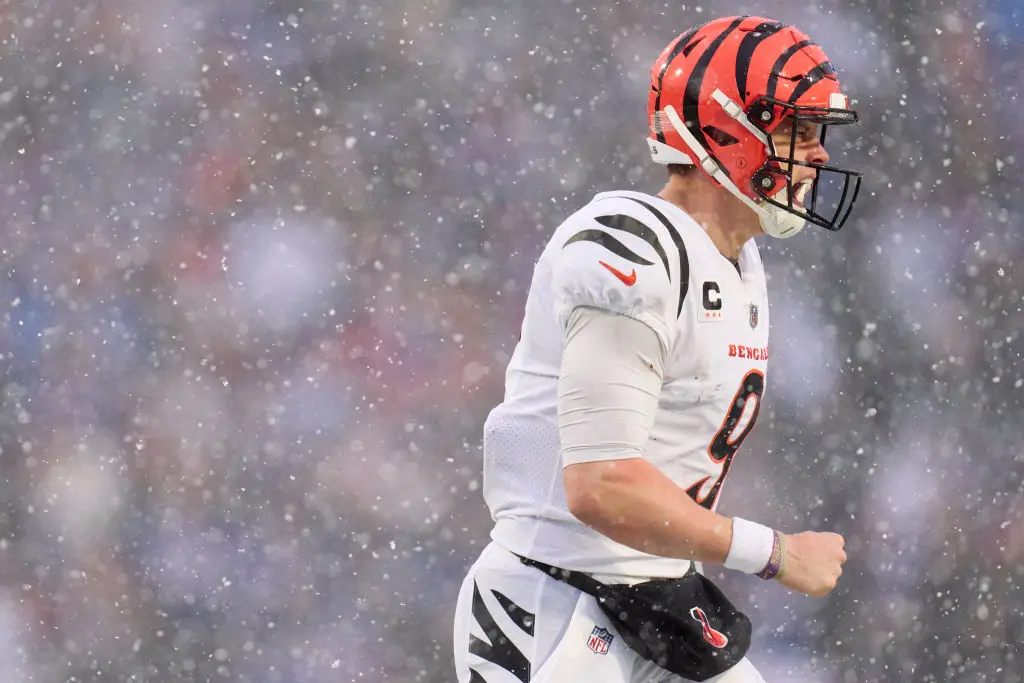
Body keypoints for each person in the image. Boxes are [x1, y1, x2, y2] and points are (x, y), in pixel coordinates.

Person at [453, 15, 863, 683]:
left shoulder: (738, 262)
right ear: (728, 130)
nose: (816, 154)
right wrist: (773, 552)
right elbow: (601, 483)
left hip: (654, 594)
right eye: (797, 129)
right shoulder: (637, 251)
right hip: (554, 601)